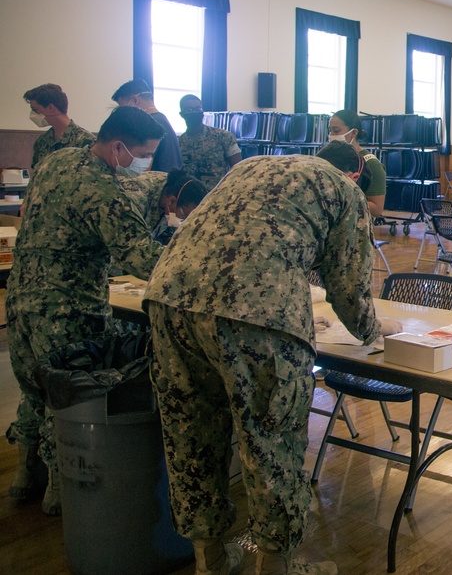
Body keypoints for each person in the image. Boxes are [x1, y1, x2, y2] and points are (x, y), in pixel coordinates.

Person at [143, 154, 401, 575]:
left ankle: (210, 560)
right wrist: (375, 330)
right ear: (356, 174)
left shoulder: (253, 165)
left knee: (191, 436)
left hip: (170, 296)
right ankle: (276, 568)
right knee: (271, 443)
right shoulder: (347, 192)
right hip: (256, 313)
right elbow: (349, 290)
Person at [4, 106, 164, 515]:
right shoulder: (103, 190)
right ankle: (64, 495)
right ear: (117, 148)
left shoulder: (58, 159)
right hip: (67, 312)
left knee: (33, 389)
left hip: (21, 303)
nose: (144, 165)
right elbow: (145, 258)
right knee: (67, 401)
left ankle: (25, 478)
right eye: (143, 155)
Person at [318, 110, 386, 218]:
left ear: (354, 133)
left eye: (336, 131)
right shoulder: (328, 157)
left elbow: (377, 209)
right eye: (330, 131)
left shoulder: (372, 164)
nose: (331, 135)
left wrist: (339, 203)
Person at [112, 79, 184, 172]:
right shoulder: (162, 119)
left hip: (156, 184)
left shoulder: (147, 125)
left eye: (123, 108)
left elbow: (143, 169)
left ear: (135, 100)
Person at [121, 169, 209, 244]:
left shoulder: (172, 199)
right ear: (171, 202)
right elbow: (129, 246)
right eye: (185, 217)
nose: (184, 223)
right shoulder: (135, 197)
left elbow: (169, 237)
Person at [176, 94, 242, 190]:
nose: (194, 112)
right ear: (181, 114)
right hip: (191, 197)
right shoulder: (179, 143)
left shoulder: (223, 136)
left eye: (198, 108)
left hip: (218, 193)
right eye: (189, 110)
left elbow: (238, 169)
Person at [23, 83, 96, 169]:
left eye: (36, 110)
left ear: (50, 108)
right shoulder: (42, 142)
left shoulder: (87, 142)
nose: (33, 115)